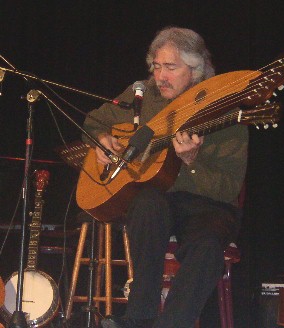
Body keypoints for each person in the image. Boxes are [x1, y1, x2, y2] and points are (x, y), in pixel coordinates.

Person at [82, 26, 248, 328]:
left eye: (171, 67)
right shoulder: (144, 97)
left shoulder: (225, 109)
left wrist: (191, 162)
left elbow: (228, 188)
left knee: (208, 247)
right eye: (156, 67)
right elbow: (94, 120)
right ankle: (140, 316)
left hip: (208, 206)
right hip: (160, 199)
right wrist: (100, 139)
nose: (160, 76)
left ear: (195, 70)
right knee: (145, 204)